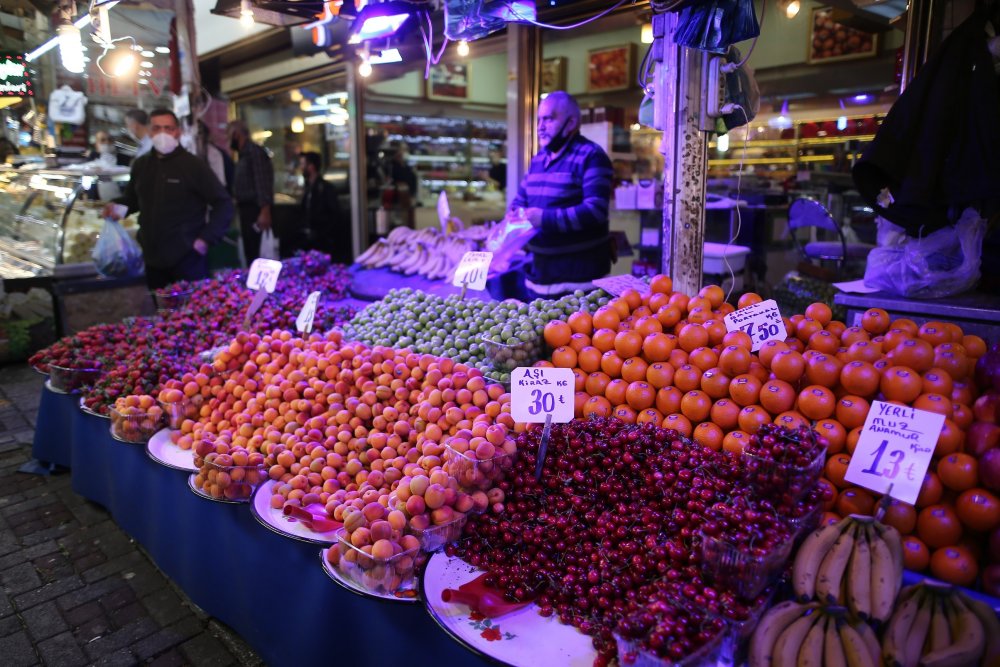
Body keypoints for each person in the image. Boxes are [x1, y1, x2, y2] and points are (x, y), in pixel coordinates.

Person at [104, 109, 233, 289]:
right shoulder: (141, 165)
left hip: (188, 257)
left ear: (178, 132)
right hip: (152, 258)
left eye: (168, 128)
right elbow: (133, 199)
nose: (162, 134)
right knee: (160, 312)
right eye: (157, 128)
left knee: (191, 312)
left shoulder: (193, 165)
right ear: (149, 132)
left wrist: (206, 239)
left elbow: (223, 203)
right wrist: (117, 207)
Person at [509, 90, 614, 298]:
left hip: (579, 284)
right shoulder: (539, 159)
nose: (540, 127)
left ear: (571, 123)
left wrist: (544, 218)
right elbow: (519, 201)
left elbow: (596, 211)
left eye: (548, 119)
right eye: (539, 119)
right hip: (538, 277)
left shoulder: (592, 156)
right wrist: (513, 217)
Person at [228, 119, 274, 264]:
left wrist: (264, 211)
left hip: (255, 210)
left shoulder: (254, 152)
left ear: (236, 134)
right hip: (246, 209)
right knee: (249, 252)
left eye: (228, 135)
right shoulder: (243, 154)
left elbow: (262, 182)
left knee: (257, 253)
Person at [297, 151, 350, 264]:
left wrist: (322, 234)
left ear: (311, 167)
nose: (300, 167)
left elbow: (335, 215)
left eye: (303, 164)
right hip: (310, 240)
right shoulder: (308, 188)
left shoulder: (325, 188)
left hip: (322, 243)